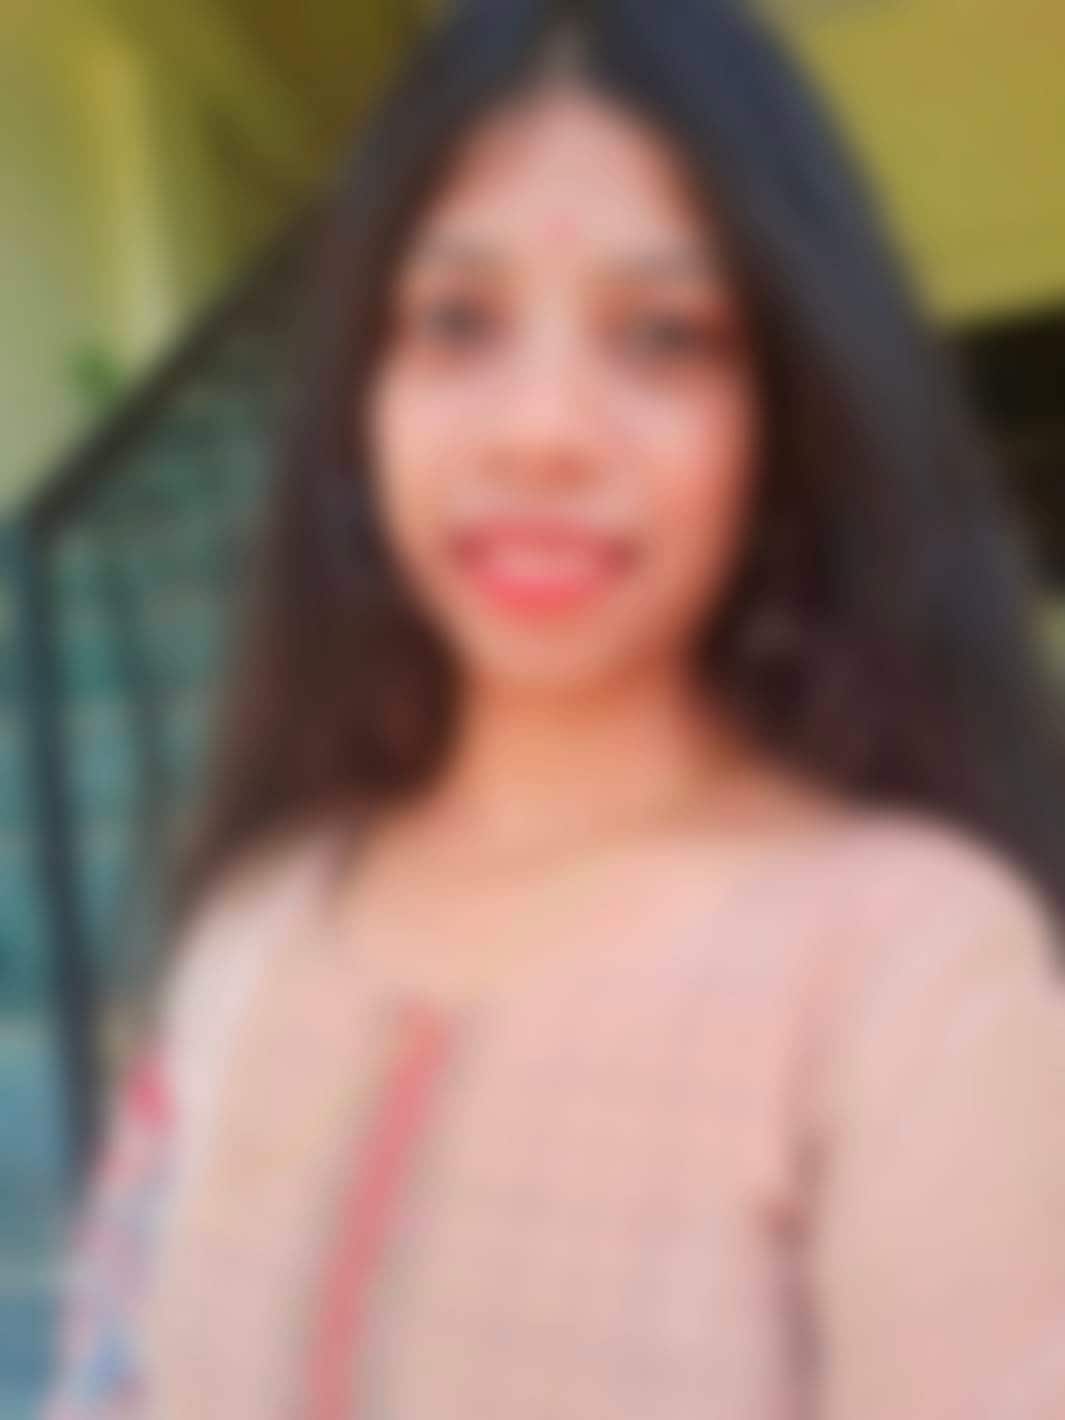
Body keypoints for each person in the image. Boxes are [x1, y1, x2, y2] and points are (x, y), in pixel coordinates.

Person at [46, 2, 1065, 1417]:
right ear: (360, 398)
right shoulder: (250, 924)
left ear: (786, 410)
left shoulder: (910, 970)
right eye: (456, 323)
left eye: (662, 336)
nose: (540, 431)